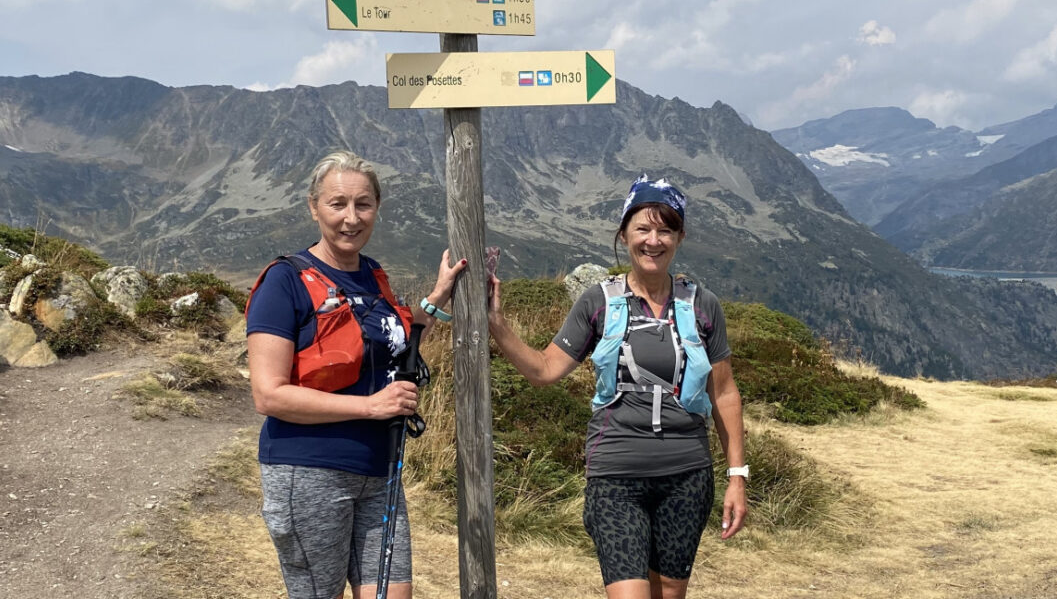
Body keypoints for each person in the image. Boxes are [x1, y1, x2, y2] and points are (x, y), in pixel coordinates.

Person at [487, 176, 749, 599]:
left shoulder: (702, 305)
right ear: (624, 233)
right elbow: (545, 370)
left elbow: (724, 393)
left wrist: (737, 477)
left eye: (665, 229)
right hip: (615, 477)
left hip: (687, 478)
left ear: (680, 236)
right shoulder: (598, 302)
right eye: (643, 229)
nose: (653, 240)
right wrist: (497, 325)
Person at [246, 149, 468, 599]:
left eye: (363, 204)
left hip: (380, 471)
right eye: (337, 204)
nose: (351, 217)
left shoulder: (373, 275)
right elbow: (268, 395)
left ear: (377, 208)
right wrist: (371, 406)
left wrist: (438, 296)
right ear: (314, 207)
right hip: (308, 470)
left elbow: (393, 336)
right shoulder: (284, 281)